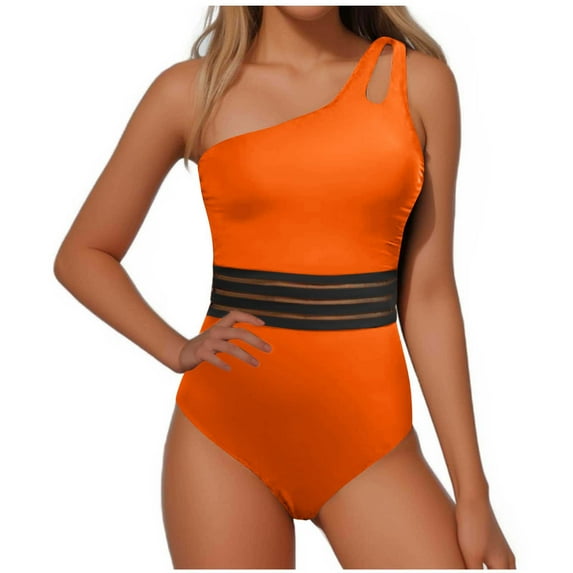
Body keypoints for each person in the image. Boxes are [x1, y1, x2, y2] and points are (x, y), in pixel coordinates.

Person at [53, 5, 516, 570]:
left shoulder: (420, 84)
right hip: (224, 436)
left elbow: (428, 294)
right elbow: (83, 255)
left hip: (371, 439)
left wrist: (473, 493)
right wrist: (176, 349)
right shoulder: (192, 91)